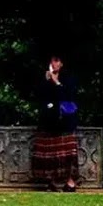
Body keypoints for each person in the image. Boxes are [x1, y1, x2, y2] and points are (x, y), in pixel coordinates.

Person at [32, 54, 80, 191]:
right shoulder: (43, 79)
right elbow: (39, 97)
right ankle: (51, 182)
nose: (54, 64)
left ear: (62, 63)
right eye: (52, 60)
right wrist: (47, 81)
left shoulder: (68, 79)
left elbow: (68, 96)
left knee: (68, 154)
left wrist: (57, 83)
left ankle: (70, 182)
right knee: (50, 154)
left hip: (65, 121)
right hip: (49, 121)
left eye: (57, 61)